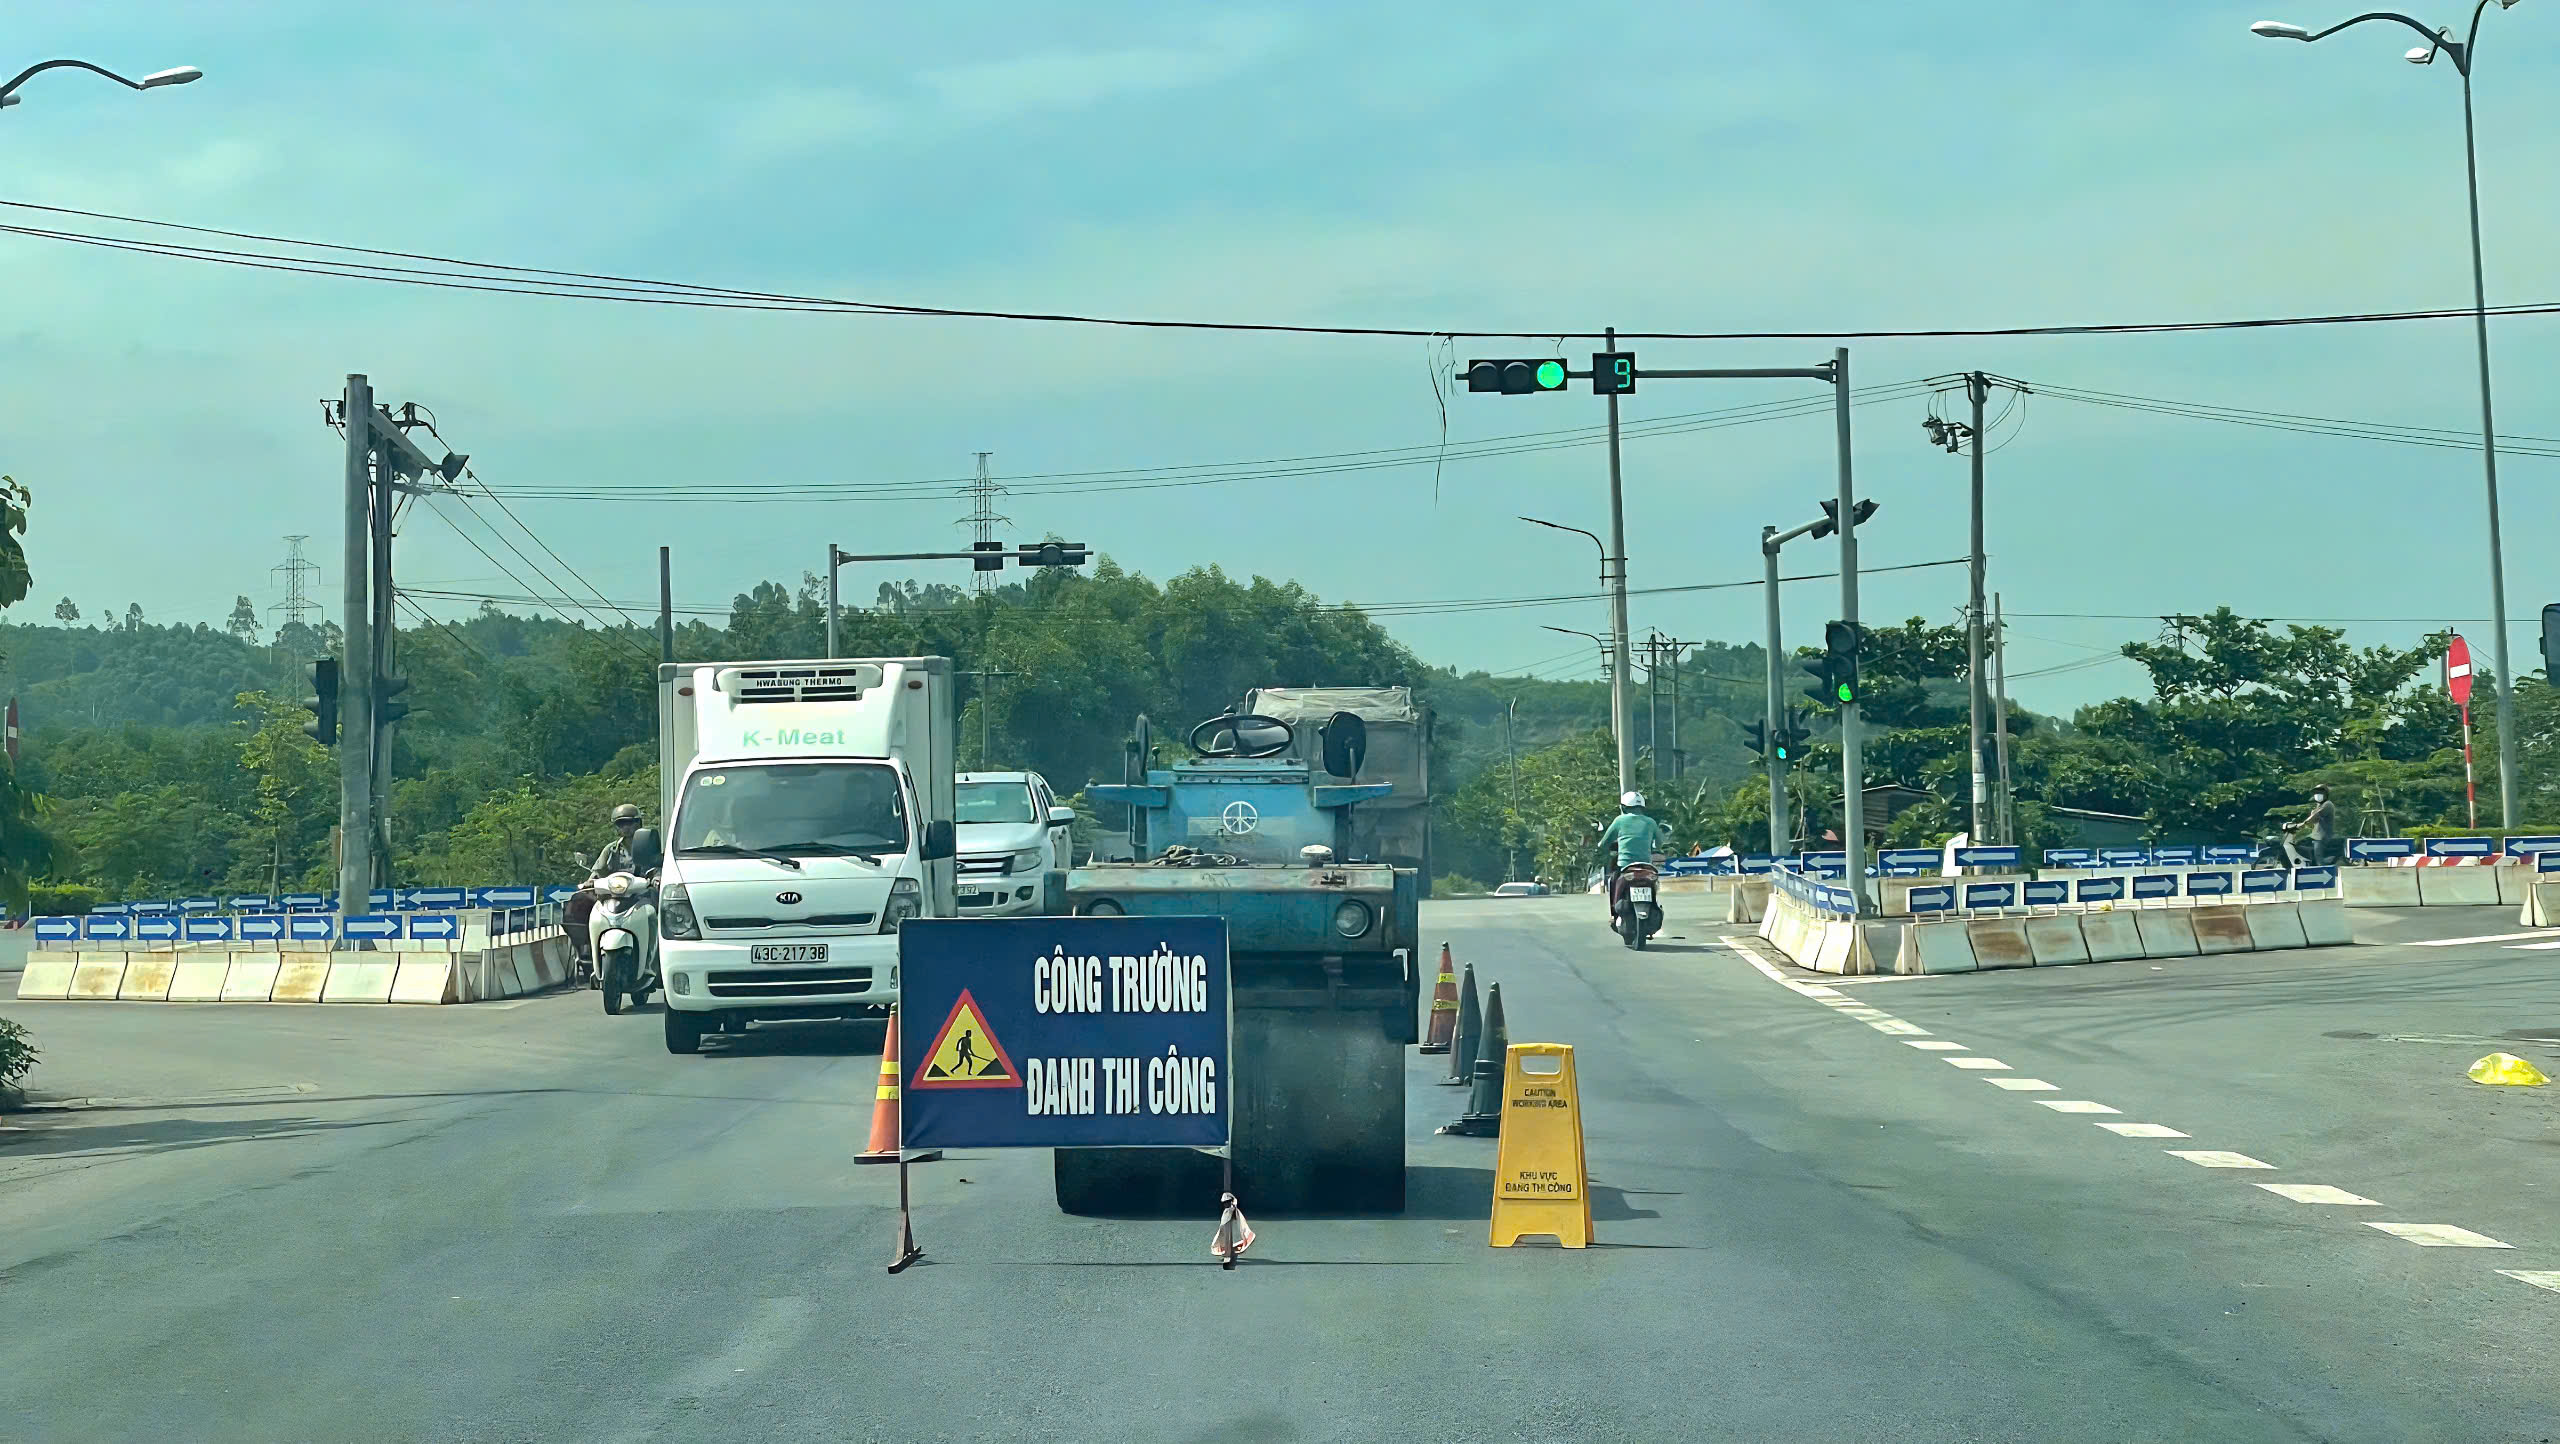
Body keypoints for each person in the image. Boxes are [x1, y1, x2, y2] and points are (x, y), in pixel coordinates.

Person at [1595, 791, 1669, 902]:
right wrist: (1655, 848)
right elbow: (1660, 842)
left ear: (1623, 807)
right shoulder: (1651, 822)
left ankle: (1614, 908)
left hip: (1625, 864)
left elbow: (1605, 842)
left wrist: (1600, 846)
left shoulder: (1619, 820)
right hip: (1646, 864)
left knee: (1613, 879)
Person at [2296, 785, 2338, 867]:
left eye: (2320, 793)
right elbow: (2313, 821)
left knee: (2318, 859)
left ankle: (2323, 871)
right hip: (2315, 836)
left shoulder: (2328, 804)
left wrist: (2303, 824)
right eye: (2316, 793)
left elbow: (2316, 816)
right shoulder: (2319, 805)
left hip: (2322, 837)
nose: (2317, 795)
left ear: (2326, 794)